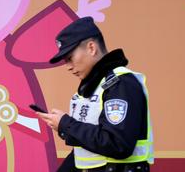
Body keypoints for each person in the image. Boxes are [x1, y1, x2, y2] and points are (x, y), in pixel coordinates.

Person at [37, 16, 153, 172]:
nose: (68, 67)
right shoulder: (94, 87)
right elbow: (87, 151)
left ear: (91, 48)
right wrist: (66, 127)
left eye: (70, 58)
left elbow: (117, 144)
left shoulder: (120, 84)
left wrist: (66, 124)